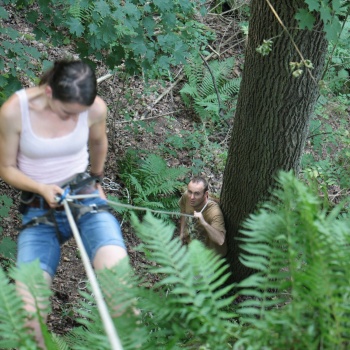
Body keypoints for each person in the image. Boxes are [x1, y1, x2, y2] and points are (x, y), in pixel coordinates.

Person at [0, 60, 127, 349]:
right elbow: (6, 167)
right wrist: (41, 188)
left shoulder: (94, 108)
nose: (74, 120)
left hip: (83, 195)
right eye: (67, 112)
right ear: (48, 92)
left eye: (79, 114)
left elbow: (98, 142)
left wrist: (97, 179)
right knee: (28, 317)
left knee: (121, 291)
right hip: (38, 206)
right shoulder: (14, 112)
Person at [179, 176, 227, 256]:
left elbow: (220, 240)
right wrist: (182, 232)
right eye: (190, 192)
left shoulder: (214, 211)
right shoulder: (186, 196)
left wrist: (204, 222)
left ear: (206, 194)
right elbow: (183, 211)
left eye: (197, 193)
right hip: (193, 250)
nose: (192, 197)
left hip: (210, 258)